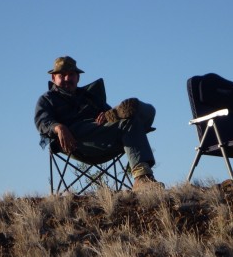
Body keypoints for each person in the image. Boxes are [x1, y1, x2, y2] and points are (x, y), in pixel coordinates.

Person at [34, 56, 164, 191]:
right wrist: (59, 127)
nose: (67, 79)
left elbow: (115, 118)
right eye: (62, 75)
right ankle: (142, 178)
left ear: (78, 78)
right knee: (130, 124)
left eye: (71, 75)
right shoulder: (47, 99)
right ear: (53, 78)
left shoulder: (89, 96)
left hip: (100, 136)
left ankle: (143, 179)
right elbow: (42, 122)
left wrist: (108, 116)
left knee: (136, 118)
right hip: (75, 142)